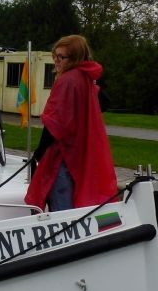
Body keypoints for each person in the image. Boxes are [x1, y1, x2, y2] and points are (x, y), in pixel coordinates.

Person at [25, 34, 117, 211]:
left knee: (61, 207)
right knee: (77, 202)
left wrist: (39, 151)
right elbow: (105, 101)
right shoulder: (85, 77)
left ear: (75, 58)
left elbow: (55, 124)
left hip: (63, 153)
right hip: (79, 152)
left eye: (61, 57)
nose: (56, 61)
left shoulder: (67, 80)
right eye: (55, 56)